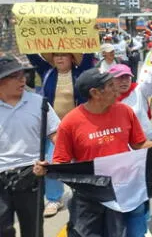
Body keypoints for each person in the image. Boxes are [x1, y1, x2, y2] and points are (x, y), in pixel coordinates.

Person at [34, 68, 152, 237]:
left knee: (137, 232)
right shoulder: (70, 123)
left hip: (130, 187)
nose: (116, 88)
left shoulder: (124, 111)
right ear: (95, 92)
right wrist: (46, 169)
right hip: (94, 196)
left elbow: (139, 143)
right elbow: (61, 161)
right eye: (110, 85)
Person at [26, 52, 95, 217]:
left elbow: (88, 52)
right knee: (51, 162)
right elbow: (32, 54)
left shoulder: (81, 72)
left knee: (83, 160)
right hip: (53, 129)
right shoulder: (47, 71)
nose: (59, 58)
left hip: (77, 126)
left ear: (72, 58)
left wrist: (87, 30)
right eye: (56, 55)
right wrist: (20, 28)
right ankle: (54, 199)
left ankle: (87, 192)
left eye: (64, 55)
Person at [108, 47, 152, 237]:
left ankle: (143, 224)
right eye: (119, 78)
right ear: (110, 81)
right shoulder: (104, 99)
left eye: (127, 77)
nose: (124, 82)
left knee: (142, 187)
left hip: (141, 147)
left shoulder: (138, 91)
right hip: (117, 151)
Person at [0, 56, 60, 237]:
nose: (22, 80)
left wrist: (61, 162)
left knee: (33, 230)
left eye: (23, 75)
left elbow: (57, 135)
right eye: (15, 76)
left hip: (31, 176)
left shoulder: (38, 103)